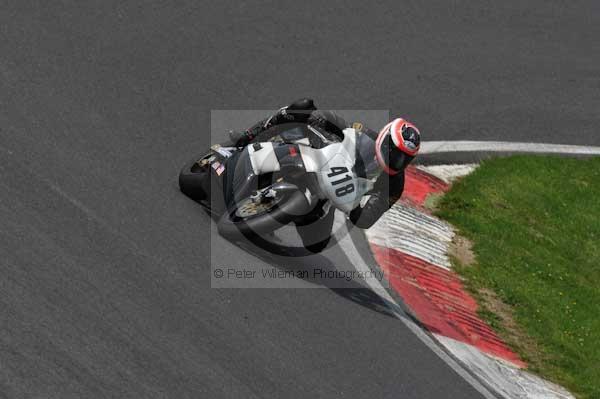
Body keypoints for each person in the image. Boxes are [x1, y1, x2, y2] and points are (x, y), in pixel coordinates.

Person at [229, 98, 421, 249]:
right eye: (395, 153)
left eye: (404, 158)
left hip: (328, 193)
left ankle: (271, 214)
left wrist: (354, 208)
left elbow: (368, 218)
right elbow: (334, 122)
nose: (397, 161)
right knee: (301, 108)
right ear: (385, 139)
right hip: (315, 159)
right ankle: (247, 137)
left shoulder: (394, 184)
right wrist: (318, 124)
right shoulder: (363, 135)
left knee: (316, 244)